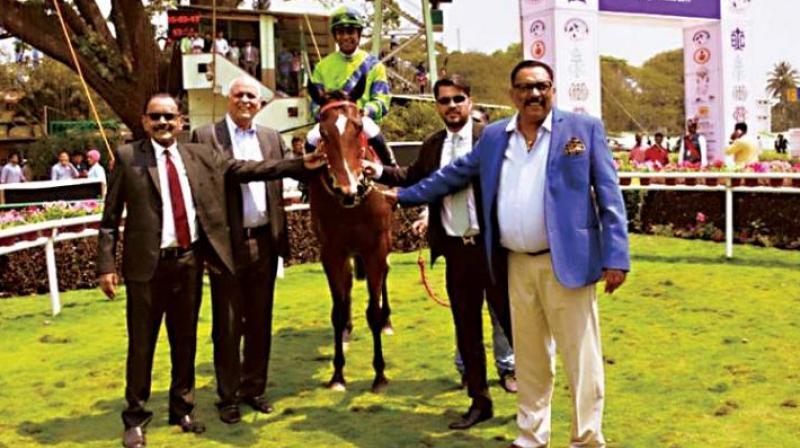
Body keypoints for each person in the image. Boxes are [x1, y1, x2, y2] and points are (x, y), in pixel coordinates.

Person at [390, 60, 629, 448]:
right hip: (514, 262)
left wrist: (616, 256)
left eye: (542, 85)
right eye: (524, 87)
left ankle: (586, 438)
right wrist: (402, 196)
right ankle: (532, 435)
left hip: (566, 262)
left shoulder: (583, 130)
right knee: (530, 359)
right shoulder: (497, 136)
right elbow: (452, 175)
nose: (534, 93)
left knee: (581, 359)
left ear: (553, 89)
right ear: (511, 94)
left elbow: (609, 195)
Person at [96, 93, 324, 448]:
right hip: (146, 268)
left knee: (184, 342)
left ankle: (181, 408)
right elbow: (109, 220)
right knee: (142, 346)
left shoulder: (199, 154)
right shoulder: (128, 158)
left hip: (188, 263)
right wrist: (106, 266)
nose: (162, 123)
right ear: (144, 122)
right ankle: (135, 417)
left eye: (169, 117)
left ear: (180, 121)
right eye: (155, 117)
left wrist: (299, 165)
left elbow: (247, 169)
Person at [365, 75, 516, 430]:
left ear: (470, 101)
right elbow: (413, 175)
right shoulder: (433, 144)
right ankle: (480, 401)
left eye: (457, 99)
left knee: (514, 327)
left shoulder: (491, 139)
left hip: (492, 249)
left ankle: (532, 398)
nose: (451, 106)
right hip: (455, 252)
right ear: (437, 106)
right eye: (444, 100)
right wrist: (380, 171)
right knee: (466, 331)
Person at [191, 77, 299, 424]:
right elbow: (222, 178)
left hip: (265, 241)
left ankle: (254, 389)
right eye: (239, 95)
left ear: (261, 102)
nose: (246, 101)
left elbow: (287, 178)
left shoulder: (271, 137)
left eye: (252, 96)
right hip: (227, 246)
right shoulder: (206, 137)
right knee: (227, 325)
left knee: (260, 322)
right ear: (227, 98)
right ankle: (228, 397)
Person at [309, 6, 396, 166]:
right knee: (311, 139)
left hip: (361, 120)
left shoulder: (375, 66)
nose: (346, 37)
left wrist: (367, 110)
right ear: (335, 36)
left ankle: (392, 171)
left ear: (358, 34)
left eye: (350, 32)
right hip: (332, 122)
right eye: (341, 32)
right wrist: (322, 114)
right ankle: (305, 183)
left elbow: (382, 100)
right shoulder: (322, 67)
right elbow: (315, 102)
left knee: (372, 131)